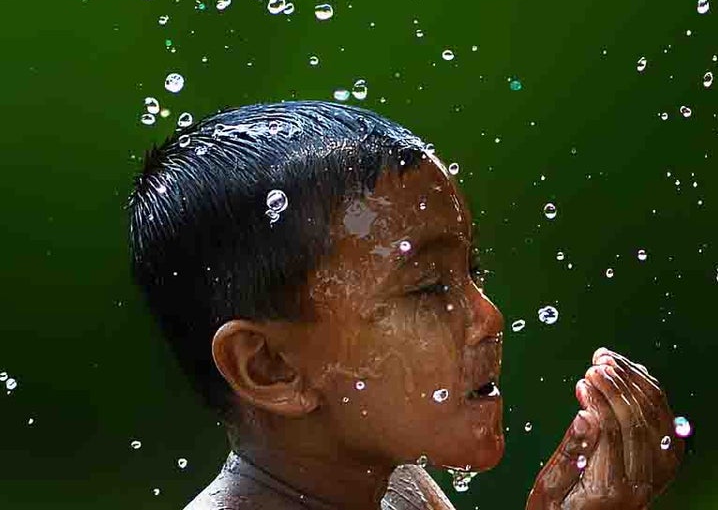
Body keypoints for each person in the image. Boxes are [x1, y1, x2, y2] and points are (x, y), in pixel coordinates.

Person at [126, 100, 684, 509]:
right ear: (270, 366)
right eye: (427, 289)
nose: (488, 317)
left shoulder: (399, 491)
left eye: (472, 272)